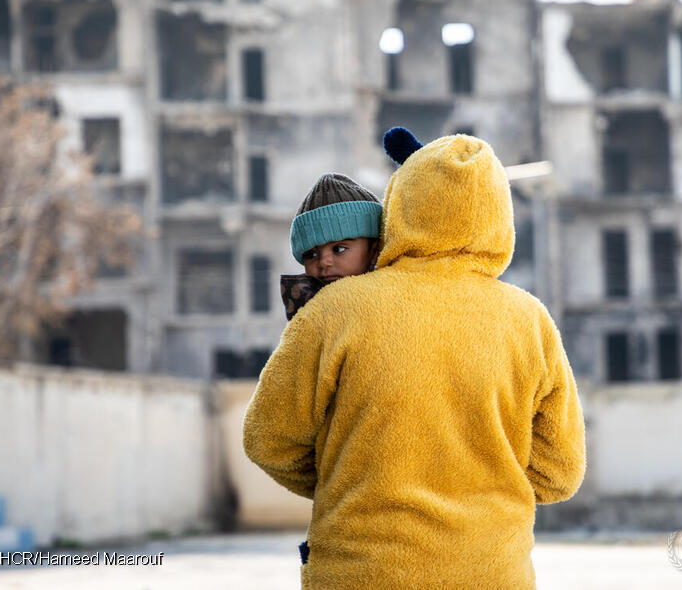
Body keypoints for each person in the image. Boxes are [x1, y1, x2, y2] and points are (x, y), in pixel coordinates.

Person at [244, 127, 586, 589]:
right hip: (492, 572)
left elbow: (269, 439)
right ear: (498, 213)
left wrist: (348, 481)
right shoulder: (530, 320)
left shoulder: (334, 309)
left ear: (399, 205)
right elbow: (558, 474)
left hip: (361, 571)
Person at [280, 173, 382, 320]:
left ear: (374, 249)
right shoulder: (306, 314)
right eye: (311, 255)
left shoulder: (400, 301)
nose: (323, 262)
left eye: (339, 249)